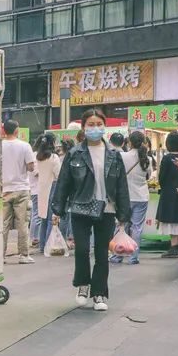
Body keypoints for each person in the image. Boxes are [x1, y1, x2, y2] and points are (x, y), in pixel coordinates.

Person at [51, 109, 131, 311]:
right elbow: (64, 183)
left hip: (107, 208)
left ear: (104, 127)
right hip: (80, 207)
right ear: (84, 127)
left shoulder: (114, 155)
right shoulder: (74, 153)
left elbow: (121, 185)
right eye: (91, 125)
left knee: (102, 253)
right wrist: (57, 210)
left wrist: (123, 215)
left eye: (98, 124)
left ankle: (100, 294)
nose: (95, 128)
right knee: (83, 250)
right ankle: (82, 285)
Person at [112, 129, 153, 265]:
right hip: (141, 196)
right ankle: (133, 257)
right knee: (137, 227)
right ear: (143, 142)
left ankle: (117, 255)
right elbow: (149, 175)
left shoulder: (122, 156)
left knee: (121, 225)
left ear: (129, 142)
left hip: (125, 196)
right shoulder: (147, 159)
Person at [0, 120, 36, 264]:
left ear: (4, 131)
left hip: (4, 190)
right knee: (22, 223)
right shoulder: (24, 146)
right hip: (21, 189)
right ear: (16, 130)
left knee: (3, 224)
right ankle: (23, 255)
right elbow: (31, 167)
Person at [157, 132, 178, 259]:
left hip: (169, 193)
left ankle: (174, 247)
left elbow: (162, 178)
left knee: (172, 220)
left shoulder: (166, 158)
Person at [35, 133, 62, 253]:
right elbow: (58, 174)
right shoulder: (54, 157)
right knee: (51, 218)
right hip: (52, 187)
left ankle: (42, 245)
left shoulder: (38, 157)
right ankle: (49, 244)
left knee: (43, 218)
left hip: (41, 188)